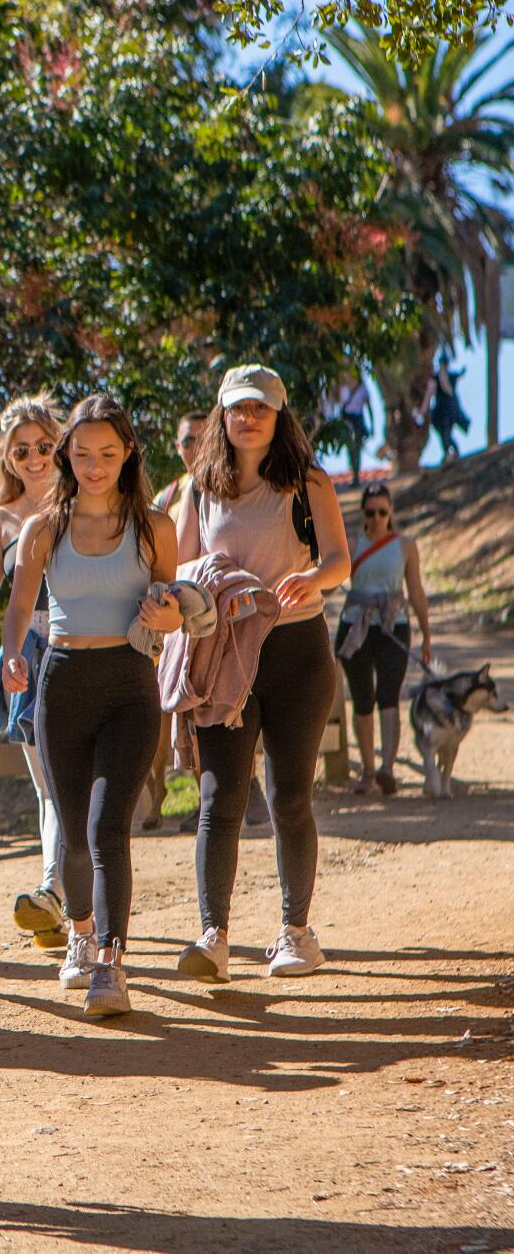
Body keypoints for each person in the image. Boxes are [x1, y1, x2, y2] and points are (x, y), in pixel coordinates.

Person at [3, 395, 180, 1018]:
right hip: (63, 681)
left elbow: (171, 601)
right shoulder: (43, 528)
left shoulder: (155, 525)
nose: (95, 465)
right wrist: (12, 656)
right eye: (81, 453)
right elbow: (20, 606)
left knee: (109, 830)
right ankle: (78, 936)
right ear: (64, 456)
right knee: (72, 834)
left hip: (131, 685)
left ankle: (110, 962)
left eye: (107, 453)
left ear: (128, 453)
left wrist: (171, 612)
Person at [173, 364, 350, 982]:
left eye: (261, 409)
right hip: (225, 654)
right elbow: (179, 571)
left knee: (289, 797)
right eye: (238, 408)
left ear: (280, 416)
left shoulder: (307, 481)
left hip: (298, 652)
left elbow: (338, 561)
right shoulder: (198, 487)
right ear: (221, 415)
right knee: (219, 797)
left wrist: (314, 578)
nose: (248, 418)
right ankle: (212, 936)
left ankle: (296, 932)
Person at [0, 394, 70, 946]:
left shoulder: (82, 506)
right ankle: (54, 891)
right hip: (26, 656)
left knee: (74, 787)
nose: (34, 458)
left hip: (81, 646)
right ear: (7, 457)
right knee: (50, 789)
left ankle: (64, 899)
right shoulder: (2, 520)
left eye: (45, 447)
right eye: (22, 450)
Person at [335, 482, 432, 795]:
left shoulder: (405, 545)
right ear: (363, 512)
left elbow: (415, 592)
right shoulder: (351, 542)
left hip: (393, 625)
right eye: (370, 511)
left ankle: (387, 768)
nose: (376, 517)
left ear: (390, 511)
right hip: (356, 626)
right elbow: (330, 577)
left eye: (382, 511)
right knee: (362, 699)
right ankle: (366, 769)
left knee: (389, 696)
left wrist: (426, 634)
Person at [146, 410, 210, 829]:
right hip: (167, 625)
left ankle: (210, 800)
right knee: (156, 717)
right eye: (188, 441)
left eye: (202, 440)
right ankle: (155, 800)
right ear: (177, 446)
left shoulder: (223, 491)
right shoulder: (167, 498)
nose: (194, 449)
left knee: (204, 712)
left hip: (209, 621)